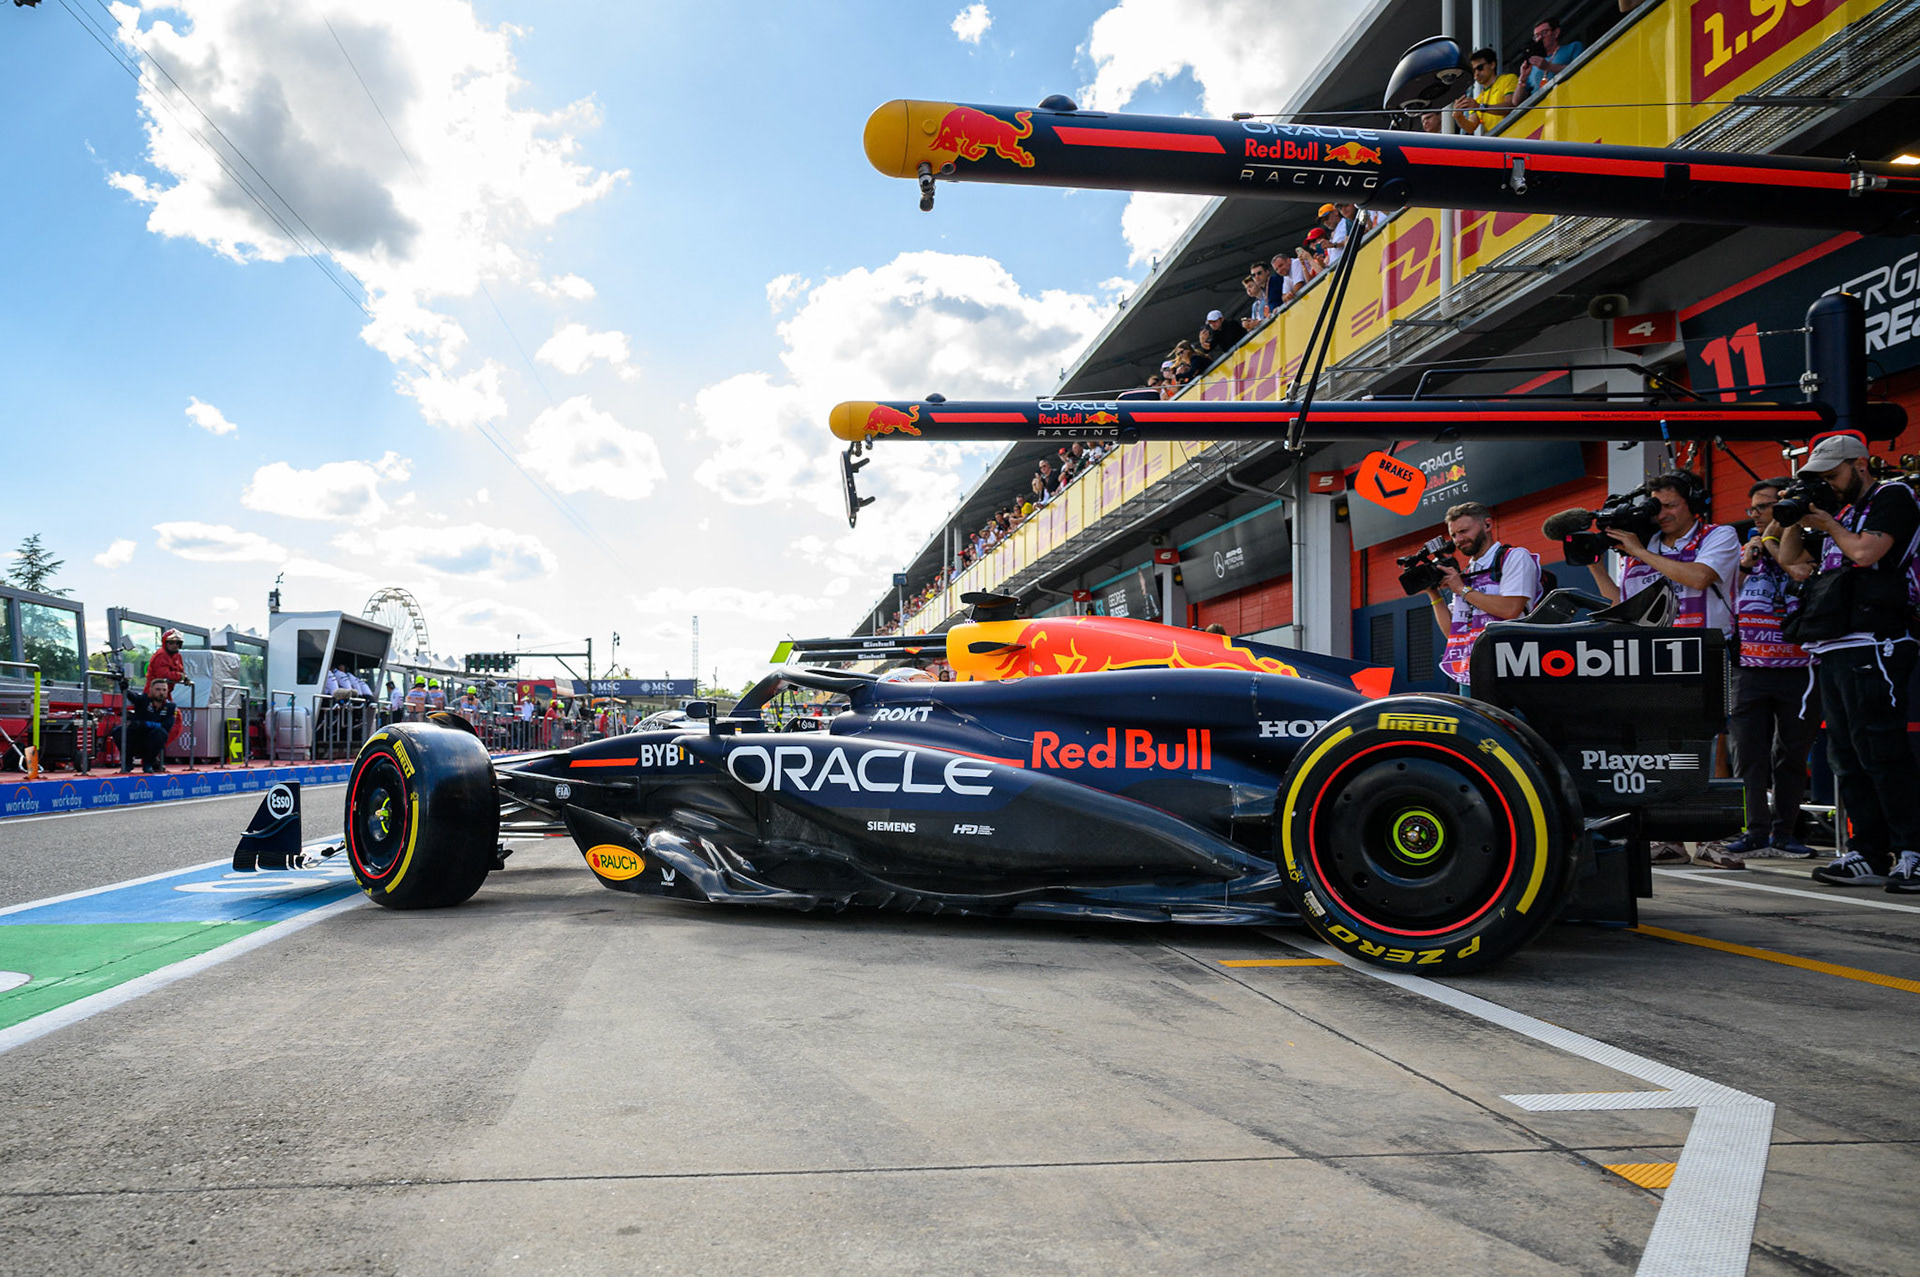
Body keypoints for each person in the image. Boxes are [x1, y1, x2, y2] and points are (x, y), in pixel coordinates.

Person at [1775, 434, 1920, 892]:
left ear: (1859, 465)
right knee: (1847, 756)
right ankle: (1870, 853)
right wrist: (1797, 516)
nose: (1829, 485)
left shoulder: (1892, 497)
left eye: (1832, 476)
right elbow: (1789, 560)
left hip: (1877, 641)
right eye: (1820, 479)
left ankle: (1913, 850)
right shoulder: (1841, 514)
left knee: (1882, 751)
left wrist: (1828, 521)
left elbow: (1865, 553)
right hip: (1834, 645)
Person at [1586, 471, 1740, 866]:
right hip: (1653, 654)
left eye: (1670, 505)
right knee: (1661, 749)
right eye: (1657, 506)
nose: (1663, 514)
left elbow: (1700, 577)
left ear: (1694, 503)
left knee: (1710, 745)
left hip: (1704, 651)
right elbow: (1621, 601)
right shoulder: (1645, 544)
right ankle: (1669, 836)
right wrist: (1593, 564)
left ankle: (1714, 836)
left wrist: (1641, 552)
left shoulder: (1717, 536)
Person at [1707, 479, 1821, 863]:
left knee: (1790, 754)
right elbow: (1730, 588)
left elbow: (1801, 570)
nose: (1754, 514)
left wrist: (1779, 527)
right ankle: (1754, 831)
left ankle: (1784, 833)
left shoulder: (1808, 543)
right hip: (1749, 668)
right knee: (1748, 756)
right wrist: (1754, 547)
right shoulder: (1745, 550)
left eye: (1764, 507)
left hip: (1799, 668)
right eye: (1752, 508)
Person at [1426, 502, 1543, 695]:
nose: (1459, 540)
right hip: (1471, 671)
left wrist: (1462, 589)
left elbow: (1510, 609)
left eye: (1464, 531)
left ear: (1487, 525)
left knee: (1510, 725)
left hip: (1513, 668)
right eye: (1454, 535)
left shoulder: (1514, 557)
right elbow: (1453, 633)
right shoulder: (1466, 573)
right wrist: (1433, 593)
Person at [1451, 47, 1519, 134]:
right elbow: (1470, 127)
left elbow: (1511, 105)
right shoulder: (1478, 100)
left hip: (1514, 134)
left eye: (1480, 68)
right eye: (1473, 70)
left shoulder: (1508, 79)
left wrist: (1480, 107)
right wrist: (1458, 116)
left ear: (1492, 65)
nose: (1476, 74)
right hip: (1497, 142)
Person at [1522, 18, 1584, 96]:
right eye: (1537, 36)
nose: (1540, 38)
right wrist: (1522, 79)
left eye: (1544, 32)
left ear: (1556, 33)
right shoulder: (1533, 63)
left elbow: (1580, 70)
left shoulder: (1572, 47)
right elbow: (1516, 101)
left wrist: (1548, 66)